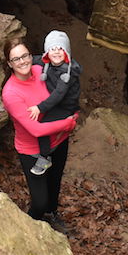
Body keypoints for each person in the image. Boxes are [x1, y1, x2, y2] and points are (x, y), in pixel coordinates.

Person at [1, 36, 77, 230]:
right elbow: (35, 129)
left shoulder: (40, 69)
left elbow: (62, 71)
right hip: (33, 150)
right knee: (40, 202)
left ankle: (52, 216)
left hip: (58, 142)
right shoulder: (11, 93)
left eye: (25, 55)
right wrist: (66, 124)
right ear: (9, 63)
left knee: (55, 183)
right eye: (16, 59)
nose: (23, 61)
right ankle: (29, 228)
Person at [27, 30, 82, 175]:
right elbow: (34, 59)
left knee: (43, 127)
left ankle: (45, 157)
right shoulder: (47, 62)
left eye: (60, 49)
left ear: (66, 53)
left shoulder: (66, 73)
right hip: (56, 101)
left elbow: (58, 95)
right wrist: (23, 59)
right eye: (52, 49)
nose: (56, 52)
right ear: (47, 53)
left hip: (65, 106)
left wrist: (40, 107)